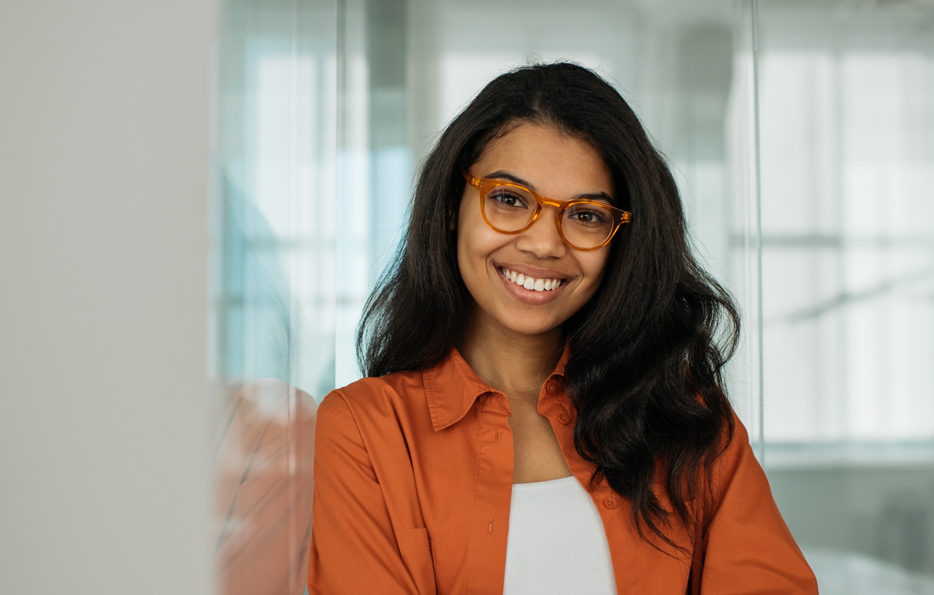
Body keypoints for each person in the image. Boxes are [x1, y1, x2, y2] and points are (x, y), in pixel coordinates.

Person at [307, 62, 818, 594]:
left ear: (621, 240)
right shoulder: (363, 431)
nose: (546, 243)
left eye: (587, 215)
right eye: (508, 200)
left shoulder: (684, 413)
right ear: (453, 207)